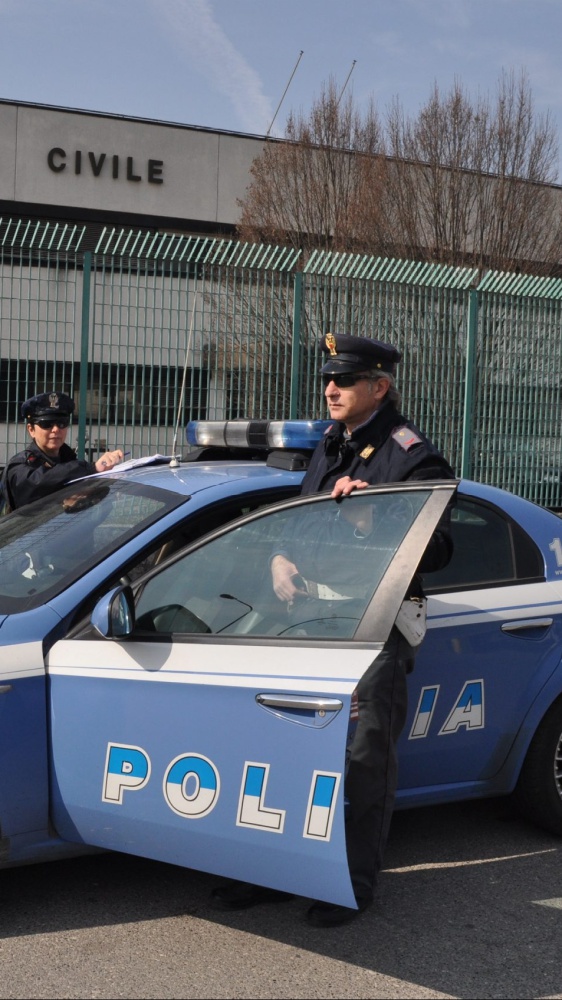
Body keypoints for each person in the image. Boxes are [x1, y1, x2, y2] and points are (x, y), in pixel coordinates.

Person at [211, 333, 455, 927]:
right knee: (283, 746)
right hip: (310, 620)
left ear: (380, 386)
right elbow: (303, 515)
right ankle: (279, 870)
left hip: (372, 625)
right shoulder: (331, 443)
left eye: (343, 381)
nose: (330, 389)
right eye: (328, 379)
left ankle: (349, 883)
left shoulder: (413, 456)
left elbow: (443, 549)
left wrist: (376, 519)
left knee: (362, 757)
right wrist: (279, 559)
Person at [1, 391, 124, 511]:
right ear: (31, 429)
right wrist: (92, 469)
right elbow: (35, 484)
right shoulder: (19, 465)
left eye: (62, 423)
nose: (55, 429)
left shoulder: (70, 460)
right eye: (47, 424)